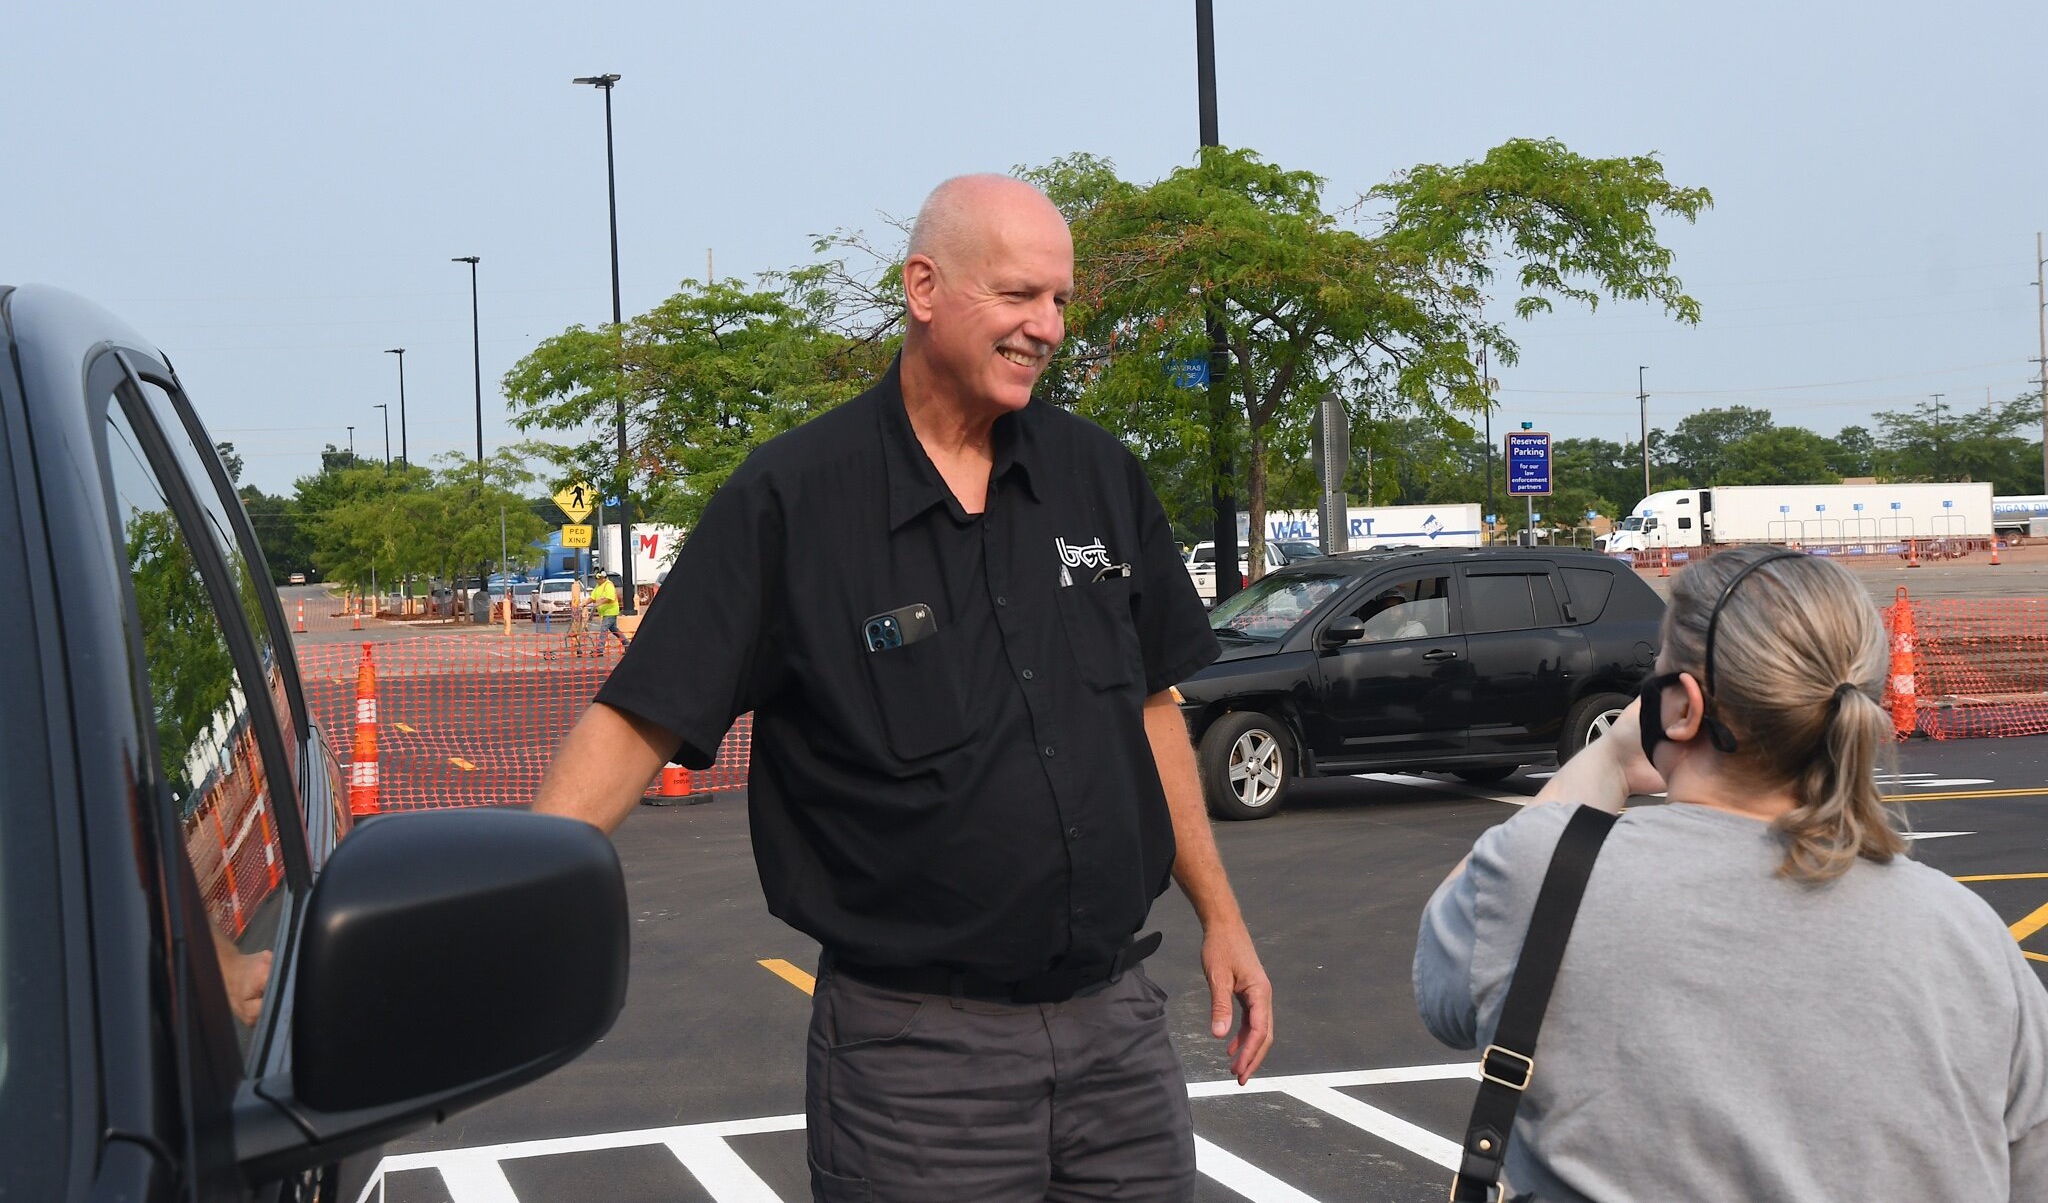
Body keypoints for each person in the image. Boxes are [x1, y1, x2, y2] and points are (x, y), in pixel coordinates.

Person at [532, 174, 1272, 1202]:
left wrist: (1222, 921)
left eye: (1060, 301)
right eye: (1019, 295)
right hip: (915, 1065)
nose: (1046, 327)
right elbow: (639, 717)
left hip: (1118, 1036)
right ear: (923, 287)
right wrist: (515, 903)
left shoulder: (1098, 478)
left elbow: (1146, 707)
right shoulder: (791, 499)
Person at [1414, 545, 2048, 1201]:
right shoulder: (1972, 940)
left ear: (1683, 706)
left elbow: (1439, 976)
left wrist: (1603, 764)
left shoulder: (1543, 871)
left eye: (1657, 670)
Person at [590, 571, 627, 648]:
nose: (598, 580)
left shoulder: (608, 585)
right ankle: (627, 644)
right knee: (614, 630)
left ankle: (599, 649)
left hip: (611, 611)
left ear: (604, 578)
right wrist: (584, 603)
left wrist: (599, 603)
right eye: (597, 579)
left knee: (604, 629)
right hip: (605, 612)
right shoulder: (598, 586)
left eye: (599, 579)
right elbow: (592, 597)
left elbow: (610, 598)